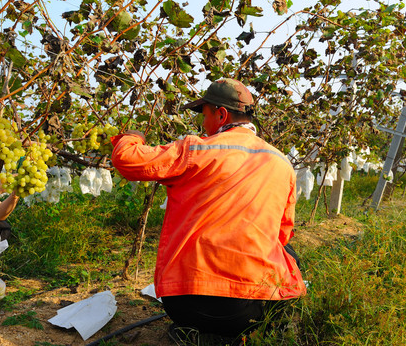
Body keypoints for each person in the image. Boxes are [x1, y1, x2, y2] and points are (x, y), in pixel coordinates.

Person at [111, 78, 306, 338]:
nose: (203, 124)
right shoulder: (282, 163)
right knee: (288, 252)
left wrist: (132, 137)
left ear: (221, 114)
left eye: (204, 115)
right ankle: (264, 328)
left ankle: (198, 332)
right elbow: (283, 233)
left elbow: (127, 161)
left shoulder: (195, 150)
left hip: (188, 305)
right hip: (255, 306)